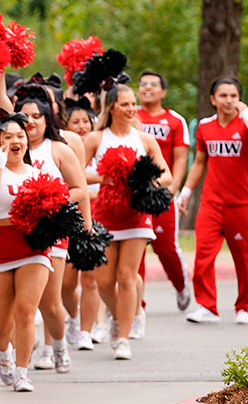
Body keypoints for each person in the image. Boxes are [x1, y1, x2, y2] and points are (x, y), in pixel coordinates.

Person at [0, 73, 89, 373]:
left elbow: (80, 188)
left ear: (47, 119)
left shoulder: (59, 149)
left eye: (37, 116)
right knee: (24, 305)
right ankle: (24, 355)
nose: (31, 122)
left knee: (50, 301)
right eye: (26, 116)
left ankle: (55, 345)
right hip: (13, 233)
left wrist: (52, 202)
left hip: (51, 231)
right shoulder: (10, 150)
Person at [83, 83, 171, 360]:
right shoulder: (95, 138)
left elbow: (167, 176)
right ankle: (120, 317)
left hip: (136, 213)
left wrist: (144, 180)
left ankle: (122, 338)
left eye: (133, 103)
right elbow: (77, 175)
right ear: (111, 107)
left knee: (127, 276)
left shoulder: (144, 140)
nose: (132, 108)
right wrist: (103, 178)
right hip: (106, 214)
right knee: (105, 281)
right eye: (125, 104)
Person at [0, 111, 51, 392]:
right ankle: (4, 353)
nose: (15, 141)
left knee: (25, 311)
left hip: (33, 246)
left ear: (28, 142)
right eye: (7, 137)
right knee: (1, 322)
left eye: (20, 136)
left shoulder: (38, 175)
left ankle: (22, 372)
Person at [179, 77, 248, 325]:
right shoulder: (206, 127)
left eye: (233, 95)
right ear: (213, 99)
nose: (229, 100)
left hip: (242, 204)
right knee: (204, 255)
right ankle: (207, 307)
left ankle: (245, 306)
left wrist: (245, 112)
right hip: (211, 203)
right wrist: (186, 191)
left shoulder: (244, 124)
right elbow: (199, 162)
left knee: (244, 258)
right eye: (223, 95)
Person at [136, 71, 191, 315]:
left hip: (162, 194)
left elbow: (180, 159)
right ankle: (135, 303)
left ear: (163, 91)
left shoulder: (175, 121)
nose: (148, 87)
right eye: (143, 84)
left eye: (153, 84)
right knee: (133, 247)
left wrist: (172, 188)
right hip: (134, 194)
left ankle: (180, 285)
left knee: (165, 248)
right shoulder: (129, 115)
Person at [61, 98, 105, 350]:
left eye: (85, 121)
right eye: (75, 121)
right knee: (66, 283)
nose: (81, 126)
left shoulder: (100, 145)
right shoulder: (67, 148)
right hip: (71, 216)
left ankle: (88, 330)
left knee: (91, 278)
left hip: (98, 216)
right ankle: (75, 319)